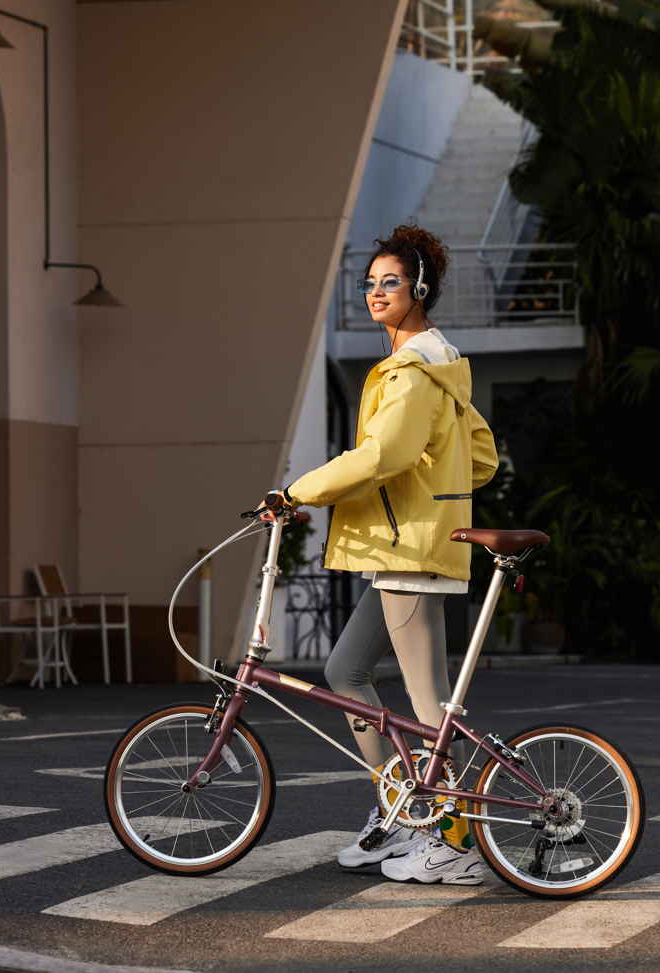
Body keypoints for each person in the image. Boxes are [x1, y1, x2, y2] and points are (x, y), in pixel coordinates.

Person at [265, 223, 498, 884]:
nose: (374, 292)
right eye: (368, 284)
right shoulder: (439, 362)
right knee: (345, 673)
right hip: (409, 545)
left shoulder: (416, 367)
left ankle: (453, 841)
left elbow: (383, 455)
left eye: (388, 281)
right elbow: (480, 456)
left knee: (428, 707)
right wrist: (434, 488)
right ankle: (404, 810)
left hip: (411, 550)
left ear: (419, 287)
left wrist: (297, 491)